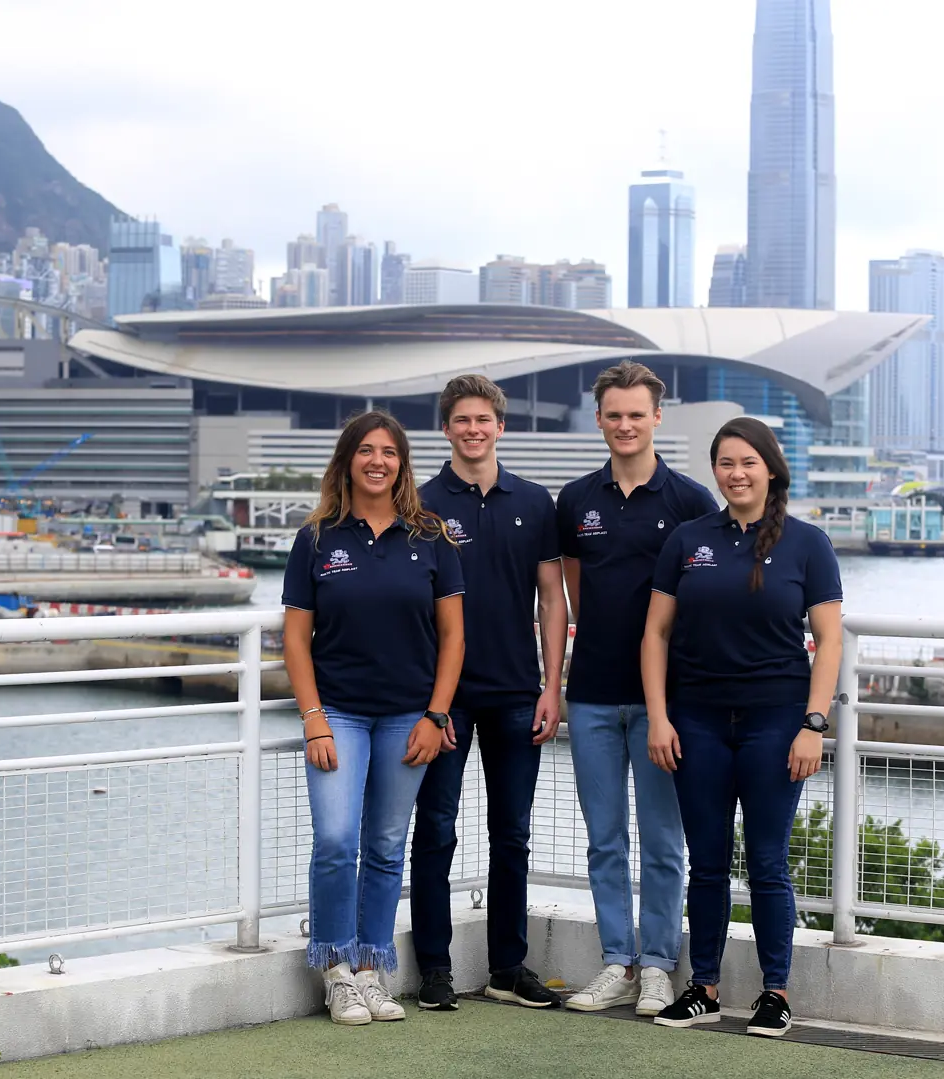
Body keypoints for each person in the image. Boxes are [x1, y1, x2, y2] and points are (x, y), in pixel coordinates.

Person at [640, 416, 843, 1038]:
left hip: (776, 724)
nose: (737, 474)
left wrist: (813, 725)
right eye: (726, 463)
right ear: (715, 471)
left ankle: (774, 993)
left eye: (748, 462)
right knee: (705, 862)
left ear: (771, 470)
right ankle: (703, 988)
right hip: (696, 720)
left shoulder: (808, 544)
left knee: (767, 862)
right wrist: (659, 717)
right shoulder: (689, 540)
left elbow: (829, 641)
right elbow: (656, 634)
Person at [282, 410, 466, 1026]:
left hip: (409, 716)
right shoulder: (316, 538)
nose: (377, 461)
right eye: (366, 450)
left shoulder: (431, 536)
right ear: (347, 461)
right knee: (337, 840)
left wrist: (436, 715)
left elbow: (453, 637)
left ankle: (370, 969)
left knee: (386, 846)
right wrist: (313, 718)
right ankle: (335, 970)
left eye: (389, 452)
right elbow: (295, 639)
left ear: (402, 463)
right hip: (338, 712)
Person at [554, 361, 718, 1016]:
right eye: (614, 414)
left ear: (657, 417)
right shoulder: (575, 500)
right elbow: (574, 591)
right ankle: (616, 961)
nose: (625, 425)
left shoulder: (690, 502)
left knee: (662, 841)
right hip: (591, 693)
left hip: (664, 704)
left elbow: (701, 599)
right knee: (604, 840)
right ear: (599, 420)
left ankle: (657, 965)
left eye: (636, 414)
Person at [410, 375, 570, 1011]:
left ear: (501, 427)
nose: (473, 430)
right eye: (462, 420)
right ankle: (434, 968)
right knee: (436, 831)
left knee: (512, 836)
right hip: (446, 699)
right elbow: (412, 609)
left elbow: (552, 599)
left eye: (483, 420)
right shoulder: (420, 505)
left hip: (517, 693)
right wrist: (431, 704)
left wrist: (553, 686)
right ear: (445, 428)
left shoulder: (534, 502)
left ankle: (508, 966)